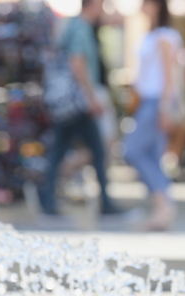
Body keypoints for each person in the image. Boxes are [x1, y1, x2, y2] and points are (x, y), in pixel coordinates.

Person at [38, 0, 122, 218]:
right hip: (77, 103)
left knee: (62, 151)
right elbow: (77, 63)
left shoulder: (75, 26)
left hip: (69, 103)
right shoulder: (80, 29)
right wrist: (91, 97)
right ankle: (105, 203)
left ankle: (47, 196)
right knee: (98, 149)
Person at [123, 0, 183, 231]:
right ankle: (162, 210)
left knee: (133, 150)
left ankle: (164, 204)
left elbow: (169, 75)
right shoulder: (151, 34)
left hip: (157, 101)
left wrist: (166, 107)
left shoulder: (165, 36)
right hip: (147, 101)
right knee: (152, 155)